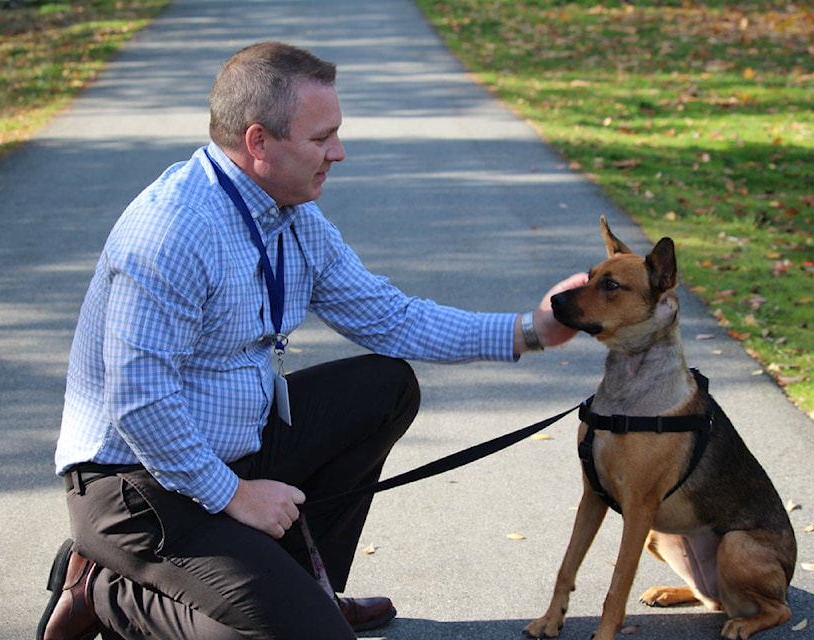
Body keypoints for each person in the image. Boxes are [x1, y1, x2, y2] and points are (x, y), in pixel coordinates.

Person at [37, 41, 586, 640]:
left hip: (231, 448)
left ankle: (301, 588)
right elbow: (139, 402)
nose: (339, 152)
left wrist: (533, 329)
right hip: (135, 486)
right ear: (258, 142)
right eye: (322, 137)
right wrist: (235, 495)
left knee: (383, 386)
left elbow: (391, 317)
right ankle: (103, 586)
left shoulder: (288, 214)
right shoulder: (171, 232)